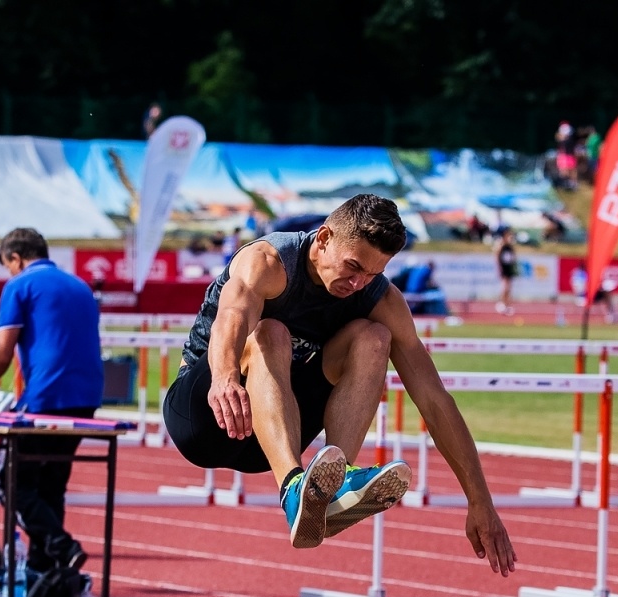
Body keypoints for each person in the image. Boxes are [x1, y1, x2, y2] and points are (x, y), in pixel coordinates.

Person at [162, 194, 515, 570]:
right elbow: (231, 317)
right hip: (205, 414)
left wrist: (480, 501)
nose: (357, 282)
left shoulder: (379, 297)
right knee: (271, 332)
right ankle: (295, 488)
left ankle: (333, 480)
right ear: (325, 238)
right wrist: (225, 377)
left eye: (372, 274)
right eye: (352, 266)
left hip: (272, 433)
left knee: (375, 337)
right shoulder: (270, 262)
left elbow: (434, 398)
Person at [0, 228, 104, 573]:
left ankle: (61, 547)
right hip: (86, 396)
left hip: (47, 396)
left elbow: (3, 350)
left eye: (8, 266)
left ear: (16, 258)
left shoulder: (19, 285)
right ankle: (46, 570)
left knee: (11, 482)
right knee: (52, 482)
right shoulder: (80, 287)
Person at [495, 231, 518, 315]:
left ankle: (507, 304)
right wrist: (499, 267)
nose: (510, 239)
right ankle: (502, 303)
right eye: (509, 237)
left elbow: (514, 257)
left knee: (509, 288)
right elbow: (497, 256)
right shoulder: (502, 246)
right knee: (505, 287)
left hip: (509, 268)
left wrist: (514, 266)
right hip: (504, 268)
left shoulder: (510, 247)